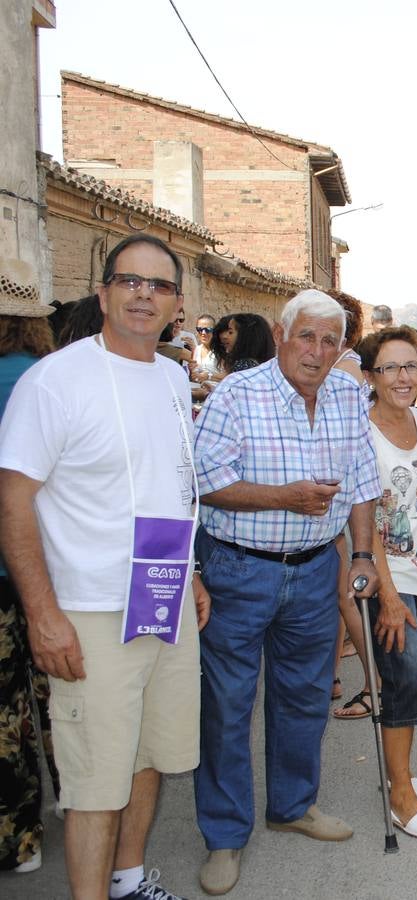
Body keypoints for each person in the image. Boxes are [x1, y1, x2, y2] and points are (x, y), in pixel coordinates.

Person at [0, 234, 209, 900]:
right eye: (130, 281)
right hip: (89, 611)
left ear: (176, 303)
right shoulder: (54, 381)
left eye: (159, 285)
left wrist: (192, 572)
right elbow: (13, 499)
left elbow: (169, 485)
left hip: (164, 594)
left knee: (151, 754)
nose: (144, 294)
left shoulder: (174, 377)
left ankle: (126, 880)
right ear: (104, 293)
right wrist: (42, 614)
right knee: (95, 776)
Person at [191, 289, 381, 896]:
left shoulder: (350, 393)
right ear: (281, 334)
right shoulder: (235, 395)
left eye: (331, 340)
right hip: (239, 569)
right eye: (307, 337)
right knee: (227, 705)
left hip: (314, 571)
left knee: (302, 697)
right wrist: (285, 497)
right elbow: (205, 481)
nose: (318, 352)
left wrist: (359, 554)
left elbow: (361, 481)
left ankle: (293, 807)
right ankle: (224, 836)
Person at [356, 325, 417, 838]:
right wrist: (388, 597)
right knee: (405, 683)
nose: (403, 377)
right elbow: (365, 522)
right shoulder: (361, 432)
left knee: (413, 683)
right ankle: (400, 795)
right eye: (390, 368)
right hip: (395, 586)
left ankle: (399, 771)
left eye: (410, 366)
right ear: (372, 376)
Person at [0, 269, 58, 875]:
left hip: (5, 568)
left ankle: (19, 838)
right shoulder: (45, 378)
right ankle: (77, 793)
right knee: (57, 691)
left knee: (5, 707)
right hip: (51, 563)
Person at [329, 293, 378, 718]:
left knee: (346, 590)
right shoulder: (348, 367)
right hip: (343, 492)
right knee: (338, 589)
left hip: (343, 494)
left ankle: (374, 681)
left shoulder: (343, 372)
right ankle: (334, 676)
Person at [193, 315, 221, 379]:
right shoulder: (197, 349)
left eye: (208, 330)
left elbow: (228, 375)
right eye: (200, 329)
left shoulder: (221, 350)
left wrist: (209, 376)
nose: (203, 333)